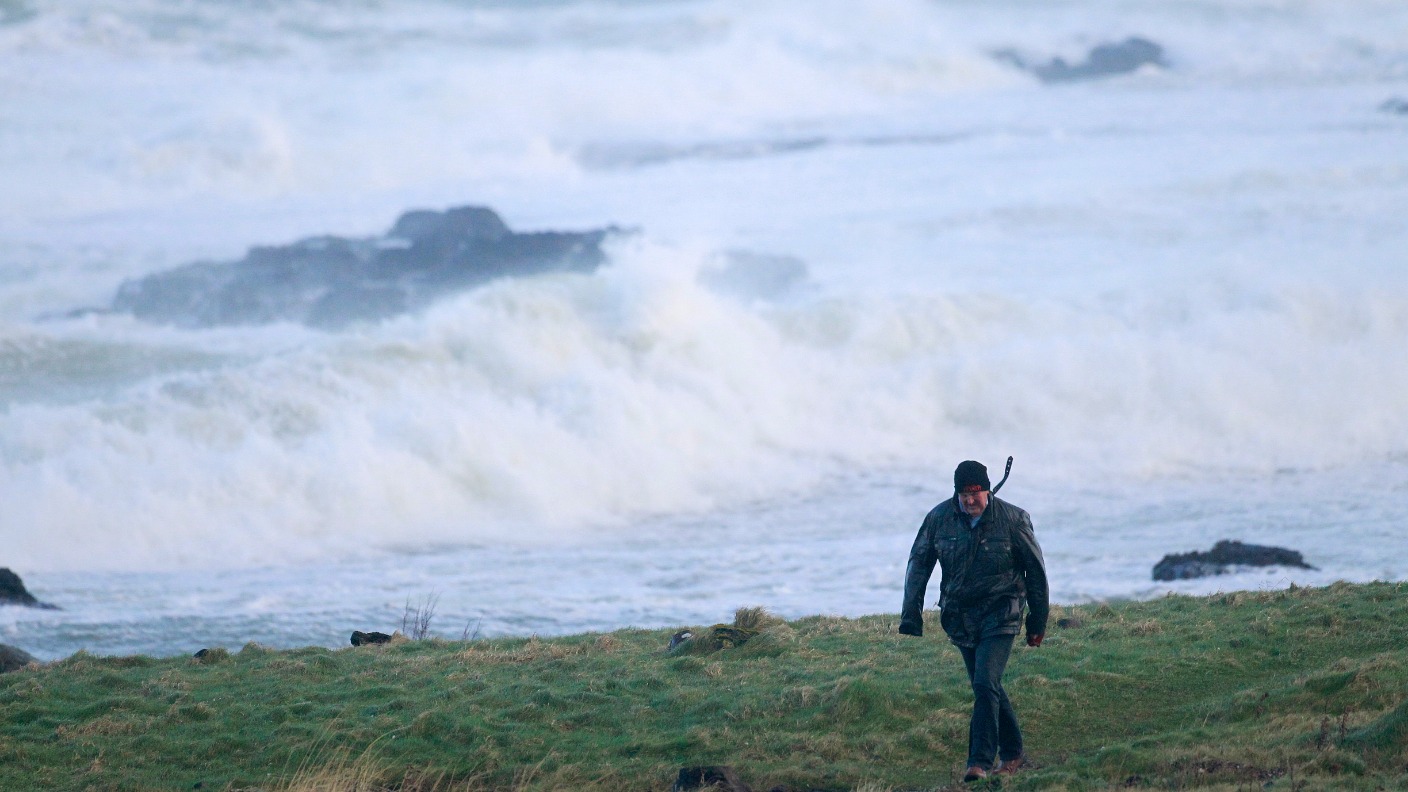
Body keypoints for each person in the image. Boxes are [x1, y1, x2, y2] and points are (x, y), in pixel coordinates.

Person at [899, 459, 1049, 782]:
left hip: (1002, 612)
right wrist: (911, 615)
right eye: (963, 495)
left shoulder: (1013, 519)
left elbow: (1035, 573)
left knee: (984, 683)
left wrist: (1038, 621)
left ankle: (978, 763)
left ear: (987, 490)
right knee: (987, 684)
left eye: (975, 494)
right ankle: (1013, 753)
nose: (969, 501)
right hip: (961, 618)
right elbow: (918, 563)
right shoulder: (939, 519)